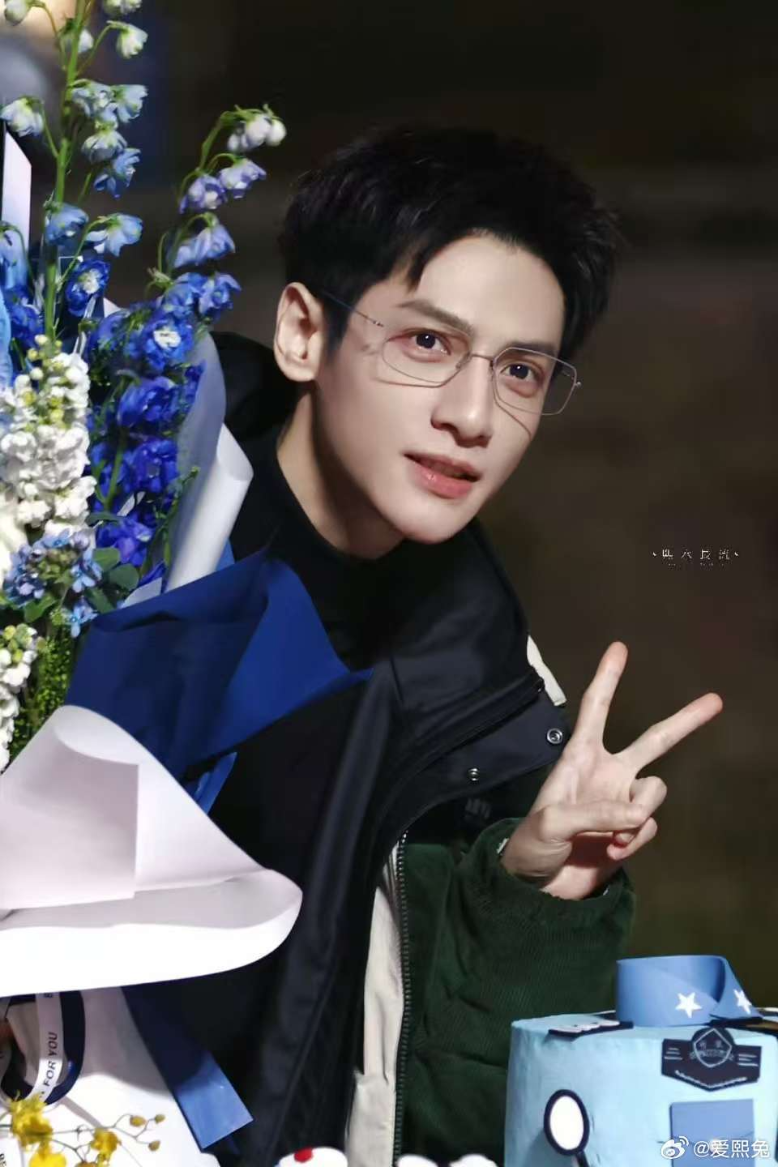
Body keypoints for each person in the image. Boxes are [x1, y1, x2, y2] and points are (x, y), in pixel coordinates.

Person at [69, 121, 723, 1167]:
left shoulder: (490, 692)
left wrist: (529, 895)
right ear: (303, 332)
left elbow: (464, 1129)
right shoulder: (94, 535)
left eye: (521, 371)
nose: (473, 415)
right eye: (427, 344)